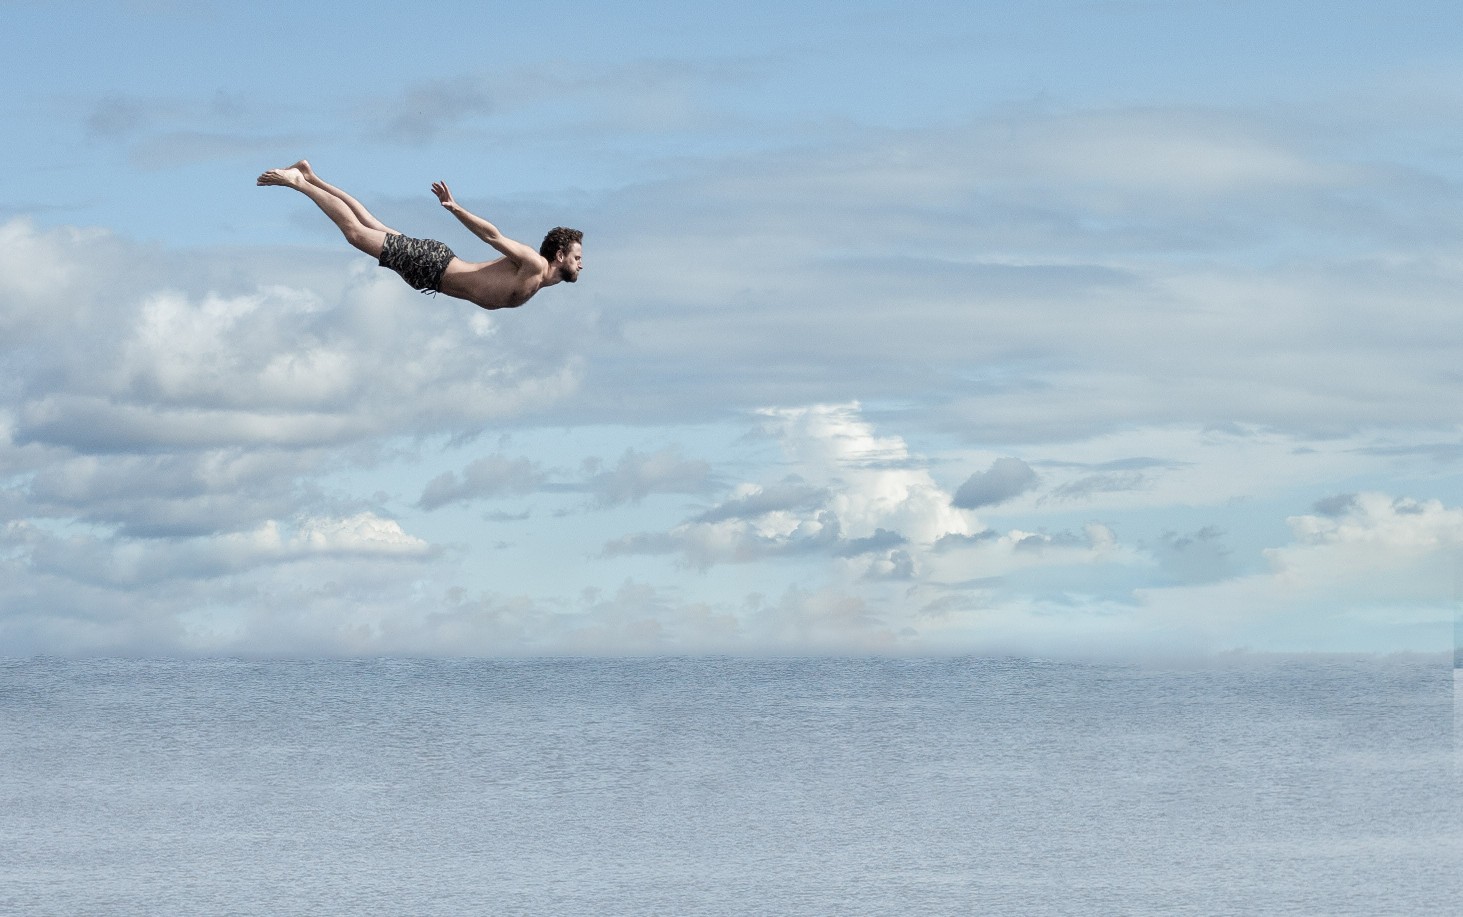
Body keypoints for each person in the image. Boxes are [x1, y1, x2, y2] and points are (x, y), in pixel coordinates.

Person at [257, 160, 582, 310]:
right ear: (559, 255)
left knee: (369, 223)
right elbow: (493, 236)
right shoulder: (534, 265)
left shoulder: (541, 280)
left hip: (432, 271)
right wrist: (455, 208)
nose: (581, 264)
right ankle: (299, 182)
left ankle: (312, 176)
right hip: (434, 266)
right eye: (577, 257)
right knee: (356, 233)